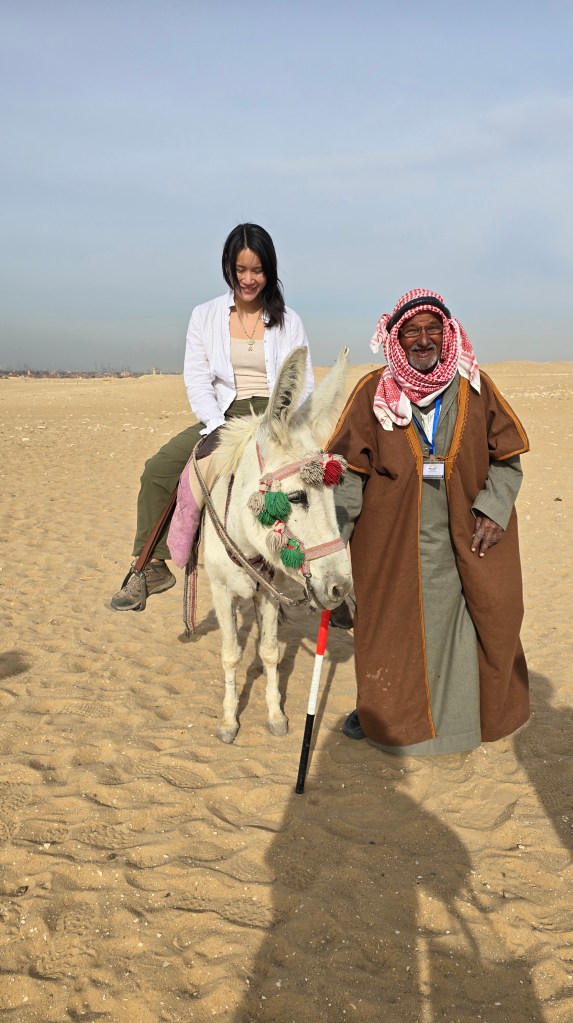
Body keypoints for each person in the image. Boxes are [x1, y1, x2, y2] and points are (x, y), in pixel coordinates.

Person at [327, 288, 530, 755]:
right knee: (388, 630)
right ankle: (387, 718)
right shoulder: (373, 392)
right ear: (396, 339)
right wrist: (335, 537)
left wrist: (494, 511)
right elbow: (347, 475)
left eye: (432, 329)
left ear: (448, 332)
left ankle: (466, 725)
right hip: (392, 543)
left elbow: (508, 460)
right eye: (411, 332)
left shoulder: (475, 388)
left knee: (484, 621)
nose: (423, 340)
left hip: (465, 536)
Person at [111, 223, 314, 610]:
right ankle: (149, 566)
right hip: (225, 415)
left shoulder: (290, 320)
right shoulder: (204, 316)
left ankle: (327, 575)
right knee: (158, 470)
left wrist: (286, 426)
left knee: (320, 478)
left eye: (257, 270)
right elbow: (198, 378)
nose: (249, 279)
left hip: (278, 418)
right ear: (228, 268)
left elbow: (302, 382)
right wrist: (217, 426)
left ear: (269, 270)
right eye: (241, 270)